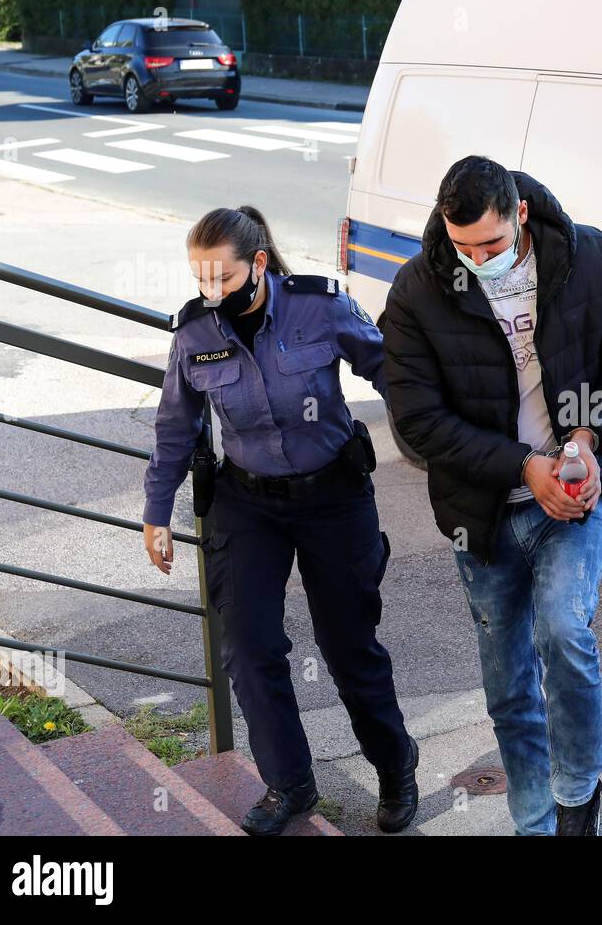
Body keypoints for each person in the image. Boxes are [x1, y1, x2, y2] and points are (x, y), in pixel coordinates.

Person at [381, 157, 602, 835]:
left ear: (521, 215)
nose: (476, 259)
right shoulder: (418, 289)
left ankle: (576, 797)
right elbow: (416, 419)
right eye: (462, 245)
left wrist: (587, 441)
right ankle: (534, 823)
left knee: (564, 630)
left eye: (492, 245)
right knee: (507, 687)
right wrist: (522, 465)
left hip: (573, 495)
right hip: (483, 513)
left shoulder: (590, 257)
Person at [141, 205, 418, 836]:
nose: (212, 295)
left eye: (224, 280)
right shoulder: (194, 334)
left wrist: (442, 433)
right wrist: (157, 511)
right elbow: (174, 429)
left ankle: (395, 763)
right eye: (201, 281)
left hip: (333, 498)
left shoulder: (319, 308)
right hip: (247, 503)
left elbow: (391, 369)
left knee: (349, 648)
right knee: (250, 647)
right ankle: (289, 782)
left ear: (259, 264)